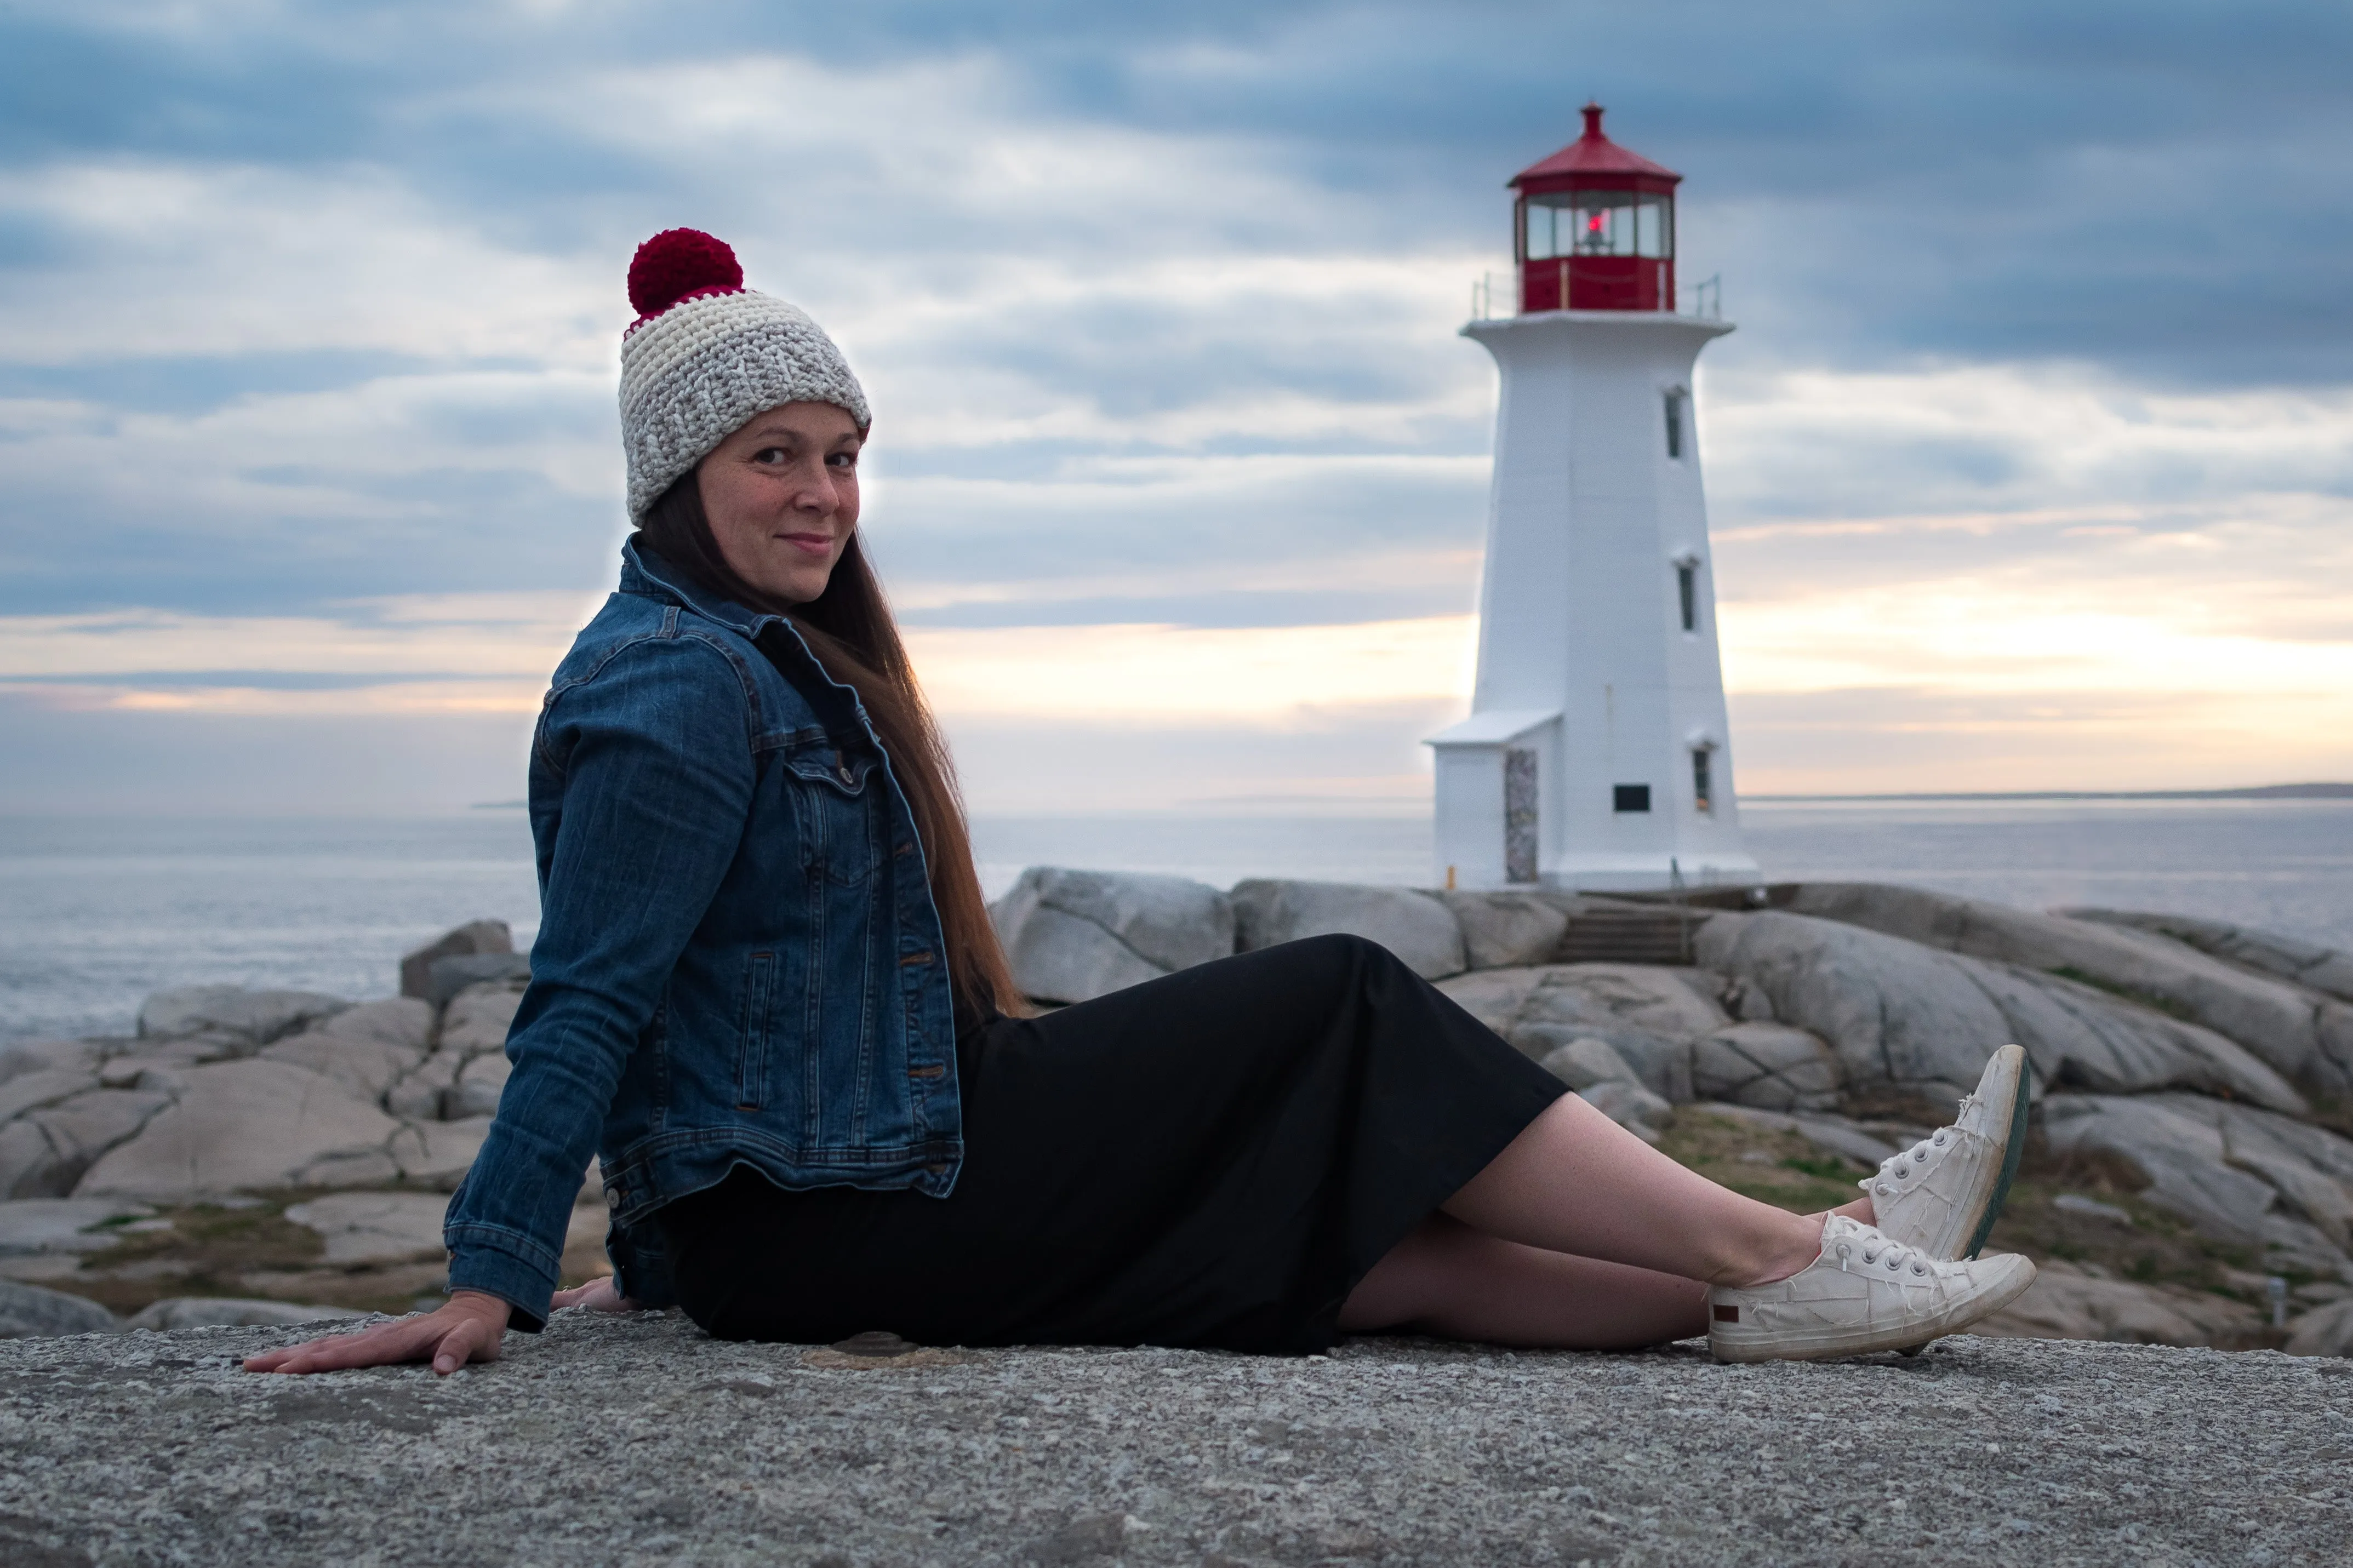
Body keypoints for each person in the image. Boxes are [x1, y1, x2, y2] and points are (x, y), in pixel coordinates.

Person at [248, 230, 2036, 1381]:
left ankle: (1786, 1303)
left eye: (842, 455)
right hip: (830, 1206)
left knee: (1366, 1249)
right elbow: (594, 990)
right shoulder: (670, 679)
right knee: (1335, 993)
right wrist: (504, 1268)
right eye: (772, 458)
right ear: (677, 479)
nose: (821, 497)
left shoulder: (769, 651)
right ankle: (1791, 1246)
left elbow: (728, 1004)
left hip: (834, 1180)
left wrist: (671, 1240)